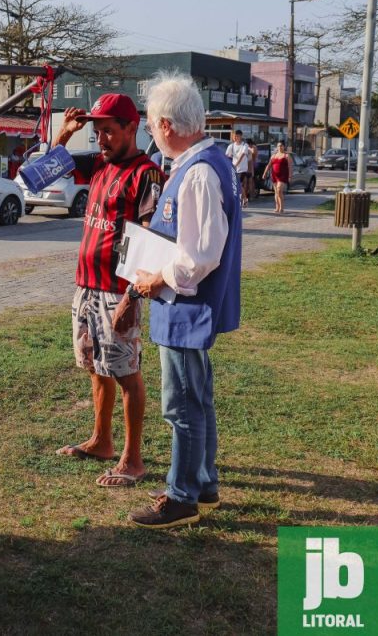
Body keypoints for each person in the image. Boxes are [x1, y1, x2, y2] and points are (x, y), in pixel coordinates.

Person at [113, 72, 242, 528]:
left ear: (167, 124)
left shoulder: (200, 172)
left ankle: (182, 495)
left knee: (181, 404)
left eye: (150, 126)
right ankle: (202, 484)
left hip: (185, 305)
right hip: (184, 306)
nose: (151, 134)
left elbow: (201, 255)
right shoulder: (201, 164)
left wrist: (155, 279)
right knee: (196, 399)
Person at [53, 94, 165, 488]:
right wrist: (65, 134)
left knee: (125, 372)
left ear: (132, 128)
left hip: (118, 291)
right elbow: (44, 173)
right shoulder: (99, 165)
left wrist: (133, 298)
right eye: (97, 131)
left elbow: (153, 239)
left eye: (109, 131)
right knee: (94, 365)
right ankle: (101, 440)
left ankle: (132, 459)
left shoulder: (146, 173)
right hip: (85, 285)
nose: (101, 139)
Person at [225, 129, 252, 208]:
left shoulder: (245, 145)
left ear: (241, 136)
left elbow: (242, 155)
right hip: (234, 168)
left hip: (242, 168)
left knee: (238, 184)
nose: (236, 137)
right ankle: (244, 199)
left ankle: (243, 199)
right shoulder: (231, 146)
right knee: (236, 184)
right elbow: (227, 156)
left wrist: (236, 164)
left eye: (238, 136)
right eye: (235, 136)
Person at [262, 142, 291, 214]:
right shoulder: (273, 156)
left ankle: (282, 208)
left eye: (281, 146)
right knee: (276, 192)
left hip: (283, 176)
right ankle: (277, 207)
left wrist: (290, 176)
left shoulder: (286, 156)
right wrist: (265, 173)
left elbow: (290, 167)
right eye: (278, 146)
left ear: (284, 147)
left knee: (279, 190)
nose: (280, 147)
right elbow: (268, 165)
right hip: (274, 175)